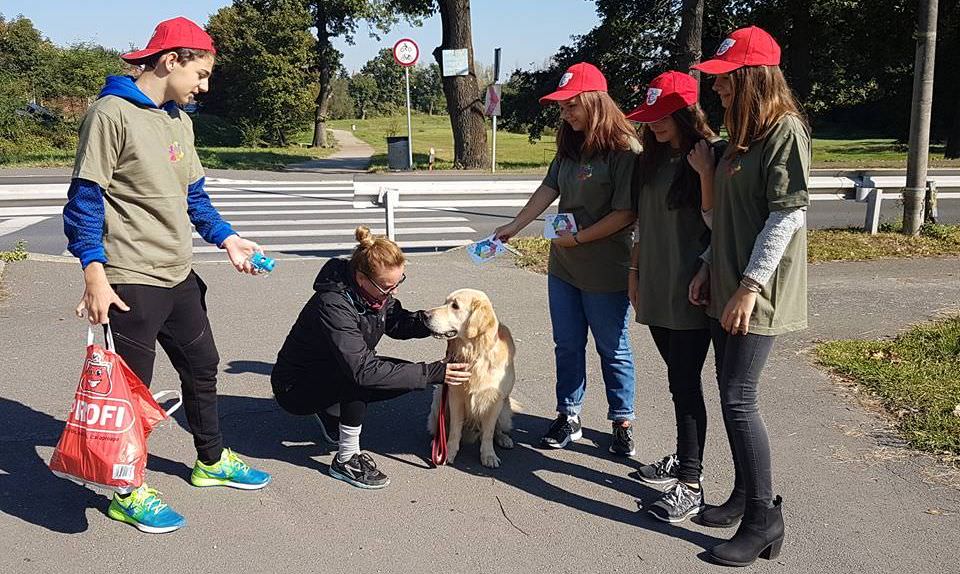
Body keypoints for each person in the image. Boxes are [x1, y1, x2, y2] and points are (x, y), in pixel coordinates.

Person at [62, 17, 270, 534]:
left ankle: (212, 461)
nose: (203, 86)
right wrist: (94, 273)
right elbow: (83, 202)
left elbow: (193, 196)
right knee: (133, 392)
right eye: (199, 73)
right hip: (130, 277)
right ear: (169, 60)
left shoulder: (180, 119)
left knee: (203, 365)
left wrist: (227, 238)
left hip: (179, 274)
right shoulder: (111, 115)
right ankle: (128, 491)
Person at [688, 25, 811, 566]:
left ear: (753, 78)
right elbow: (726, 221)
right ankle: (743, 496)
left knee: (739, 398)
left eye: (726, 80)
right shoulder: (741, 138)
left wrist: (748, 286)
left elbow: (787, 216)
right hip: (727, 284)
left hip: (755, 292)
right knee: (728, 392)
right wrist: (707, 266)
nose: (717, 89)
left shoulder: (785, 130)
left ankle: (763, 519)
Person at [494, 62, 640, 456]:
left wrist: (579, 238)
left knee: (613, 348)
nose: (565, 114)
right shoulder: (570, 146)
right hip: (564, 268)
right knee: (568, 345)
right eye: (562, 107)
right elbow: (549, 188)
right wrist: (515, 224)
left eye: (571, 106)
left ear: (594, 103)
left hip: (606, 270)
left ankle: (621, 419)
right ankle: (569, 414)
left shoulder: (624, 151)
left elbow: (626, 213)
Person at [271, 226, 471, 489]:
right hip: (295, 388)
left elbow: (397, 323)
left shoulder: (373, 294)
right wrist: (432, 372)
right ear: (361, 278)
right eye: (388, 286)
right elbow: (362, 370)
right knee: (366, 376)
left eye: (399, 282)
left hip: (329, 371)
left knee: (399, 374)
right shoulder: (333, 304)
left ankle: (331, 411)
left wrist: (431, 322)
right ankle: (346, 459)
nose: (394, 292)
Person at [625, 71, 726, 523]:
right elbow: (643, 223)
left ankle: (691, 480)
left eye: (663, 115)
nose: (655, 124)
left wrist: (705, 173)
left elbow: (718, 225)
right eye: (650, 117)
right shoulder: (650, 159)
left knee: (685, 382)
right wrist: (634, 271)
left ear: (687, 111)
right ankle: (686, 456)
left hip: (691, 288)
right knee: (675, 380)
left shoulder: (708, 155)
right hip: (656, 284)